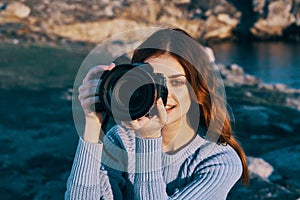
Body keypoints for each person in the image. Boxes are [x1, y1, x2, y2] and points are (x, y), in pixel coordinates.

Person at [65, 28, 249, 200]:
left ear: (198, 90)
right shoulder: (121, 141)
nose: (163, 94)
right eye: (153, 80)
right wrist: (92, 124)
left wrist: (149, 140)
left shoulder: (219, 161)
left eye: (176, 82)